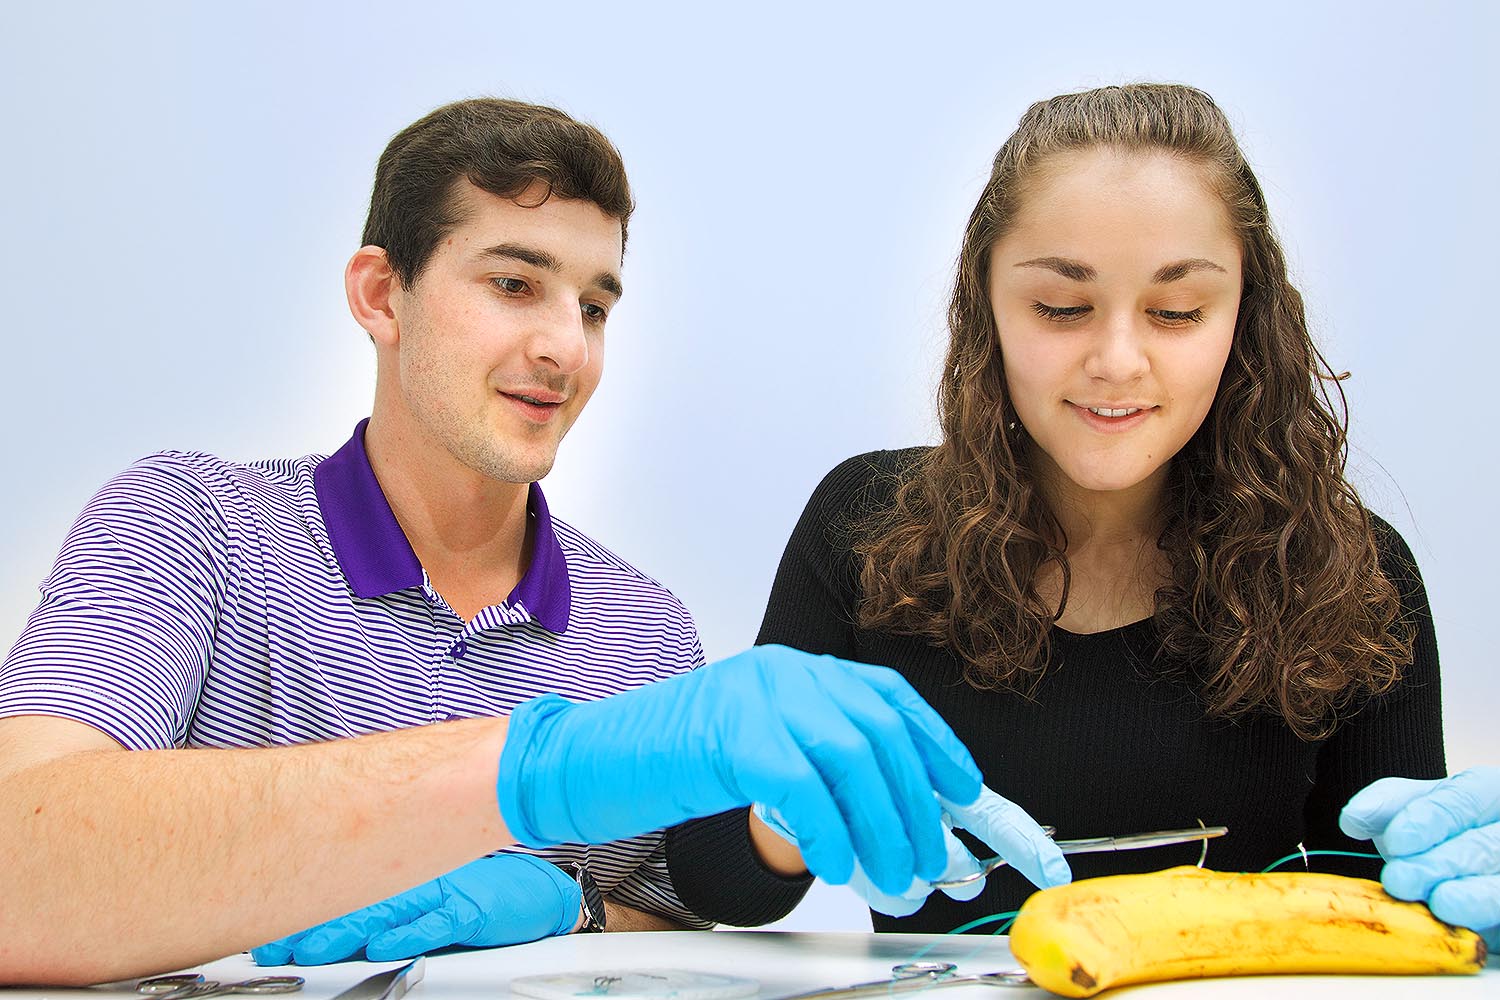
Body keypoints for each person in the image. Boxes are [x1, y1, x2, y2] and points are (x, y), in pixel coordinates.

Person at [0, 97, 1067, 985]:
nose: (564, 345)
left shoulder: (643, 631)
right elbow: (20, 863)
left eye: (595, 305)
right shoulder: (191, 529)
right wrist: (528, 770)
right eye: (513, 283)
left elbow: (680, 943)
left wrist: (570, 908)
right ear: (382, 294)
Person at [664, 83, 1500, 948]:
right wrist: (792, 816)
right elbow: (712, 876)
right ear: (985, 303)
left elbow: (1389, 928)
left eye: (1177, 312)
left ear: (1243, 319)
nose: (1117, 361)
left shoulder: (1350, 572)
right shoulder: (866, 529)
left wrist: (1456, 898)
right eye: (1061, 308)